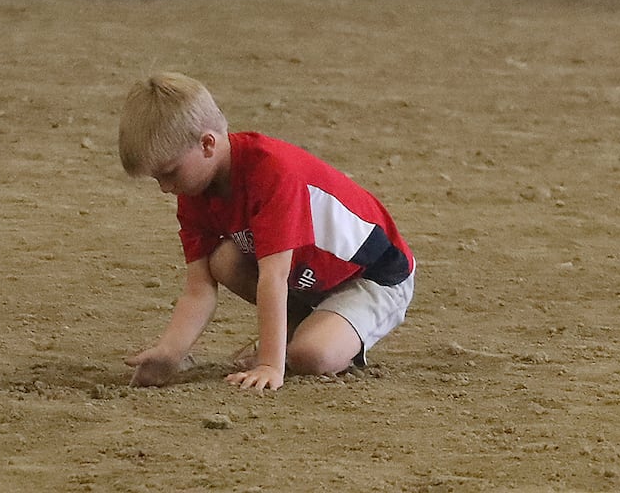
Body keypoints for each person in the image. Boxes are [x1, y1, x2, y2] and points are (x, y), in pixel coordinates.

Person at [118, 72, 414, 391]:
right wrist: (170, 353)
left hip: (373, 275)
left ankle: (313, 335)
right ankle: (304, 323)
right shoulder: (193, 192)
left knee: (311, 356)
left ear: (207, 144)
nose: (165, 188)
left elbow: (273, 277)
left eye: (169, 173)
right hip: (311, 274)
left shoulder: (272, 171)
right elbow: (199, 288)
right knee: (222, 261)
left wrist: (270, 365)